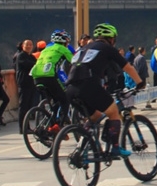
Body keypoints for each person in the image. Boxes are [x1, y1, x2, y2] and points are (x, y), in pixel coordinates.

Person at [65, 23, 144, 157]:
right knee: (113, 111)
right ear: (111, 39)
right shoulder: (107, 48)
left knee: (94, 116)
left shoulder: (83, 48)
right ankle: (115, 148)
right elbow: (127, 67)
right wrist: (139, 83)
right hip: (89, 85)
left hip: (70, 88)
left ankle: (81, 149)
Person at [31, 30, 74, 131]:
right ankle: (59, 126)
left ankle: (51, 122)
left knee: (55, 100)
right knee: (65, 99)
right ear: (65, 42)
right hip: (49, 77)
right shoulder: (63, 49)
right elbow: (74, 62)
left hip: (36, 78)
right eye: (67, 42)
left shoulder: (46, 49)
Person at [15, 39, 37, 134]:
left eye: (30, 45)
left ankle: (27, 126)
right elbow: (29, 65)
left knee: (28, 106)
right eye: (26, 45)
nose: (28, 46)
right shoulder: (21, 56)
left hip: (31, 83)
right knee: (23, 106)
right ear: (23, 46)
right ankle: (22, 128)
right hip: (23, 83)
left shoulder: (31, 56)